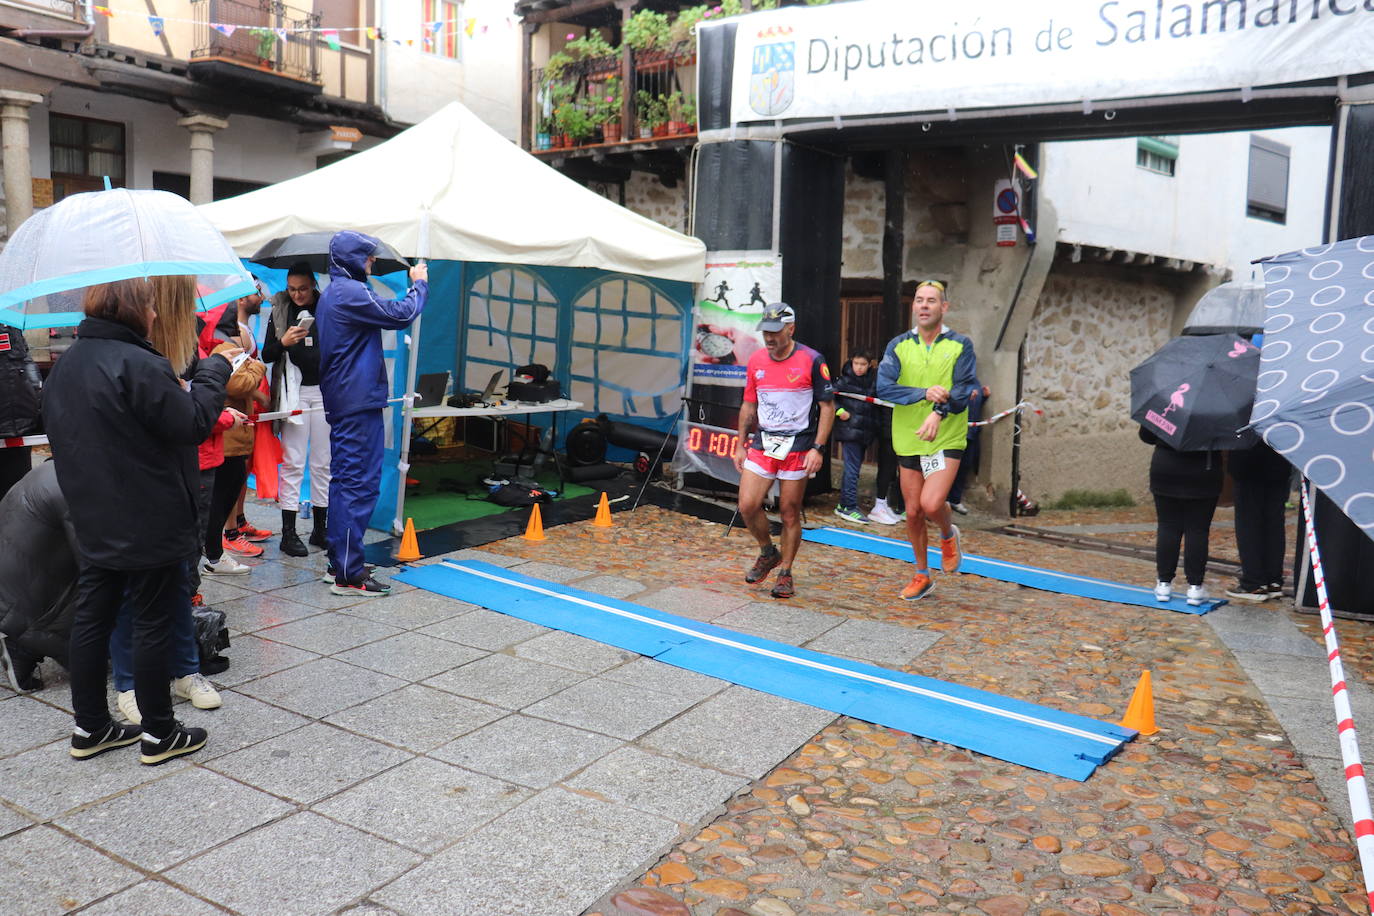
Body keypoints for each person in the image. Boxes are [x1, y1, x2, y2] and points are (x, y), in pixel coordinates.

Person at [43, 276, 235, 764]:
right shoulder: (140, 364)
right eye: (149, 306)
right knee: (153, 621)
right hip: (148, 517)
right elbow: (192, 422)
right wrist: (216, 369)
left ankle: (91, 727)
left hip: (92, 515)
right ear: (132, 310)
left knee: (93, 619)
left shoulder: (66, 367)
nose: (155, 314)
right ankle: (159, 733)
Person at [317, 231, 428, 596]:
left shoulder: (336, 291)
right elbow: (401, 314)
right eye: (367, 258)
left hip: (348, 398)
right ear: (352, 259)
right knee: (358, 484)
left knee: (344, 482)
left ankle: (341, 560)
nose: (372, 263)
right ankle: (348, 574)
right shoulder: (349, 292)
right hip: (356, 399)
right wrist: (419, 285)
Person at [876, 280, 976, 602]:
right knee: (913, 511)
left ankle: (948, 534)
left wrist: (939, 411)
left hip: (946, 434)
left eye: (931, 301)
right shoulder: (898, 346)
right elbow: (884, 388)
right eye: (919, 300)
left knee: (931, 504)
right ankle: (922, 574)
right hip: (909, 437)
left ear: (943, 307)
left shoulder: (961, 345)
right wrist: (924, 393)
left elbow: (963, 391)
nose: (923, 306)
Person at [731, 302, 835, 600]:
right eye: (766, 332)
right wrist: (740, 443)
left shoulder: (812, 360)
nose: (770, 338)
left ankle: (786, 572)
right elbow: (749, 404)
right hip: (765, 442)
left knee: (789, 511)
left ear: (791, 328)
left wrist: (818, 447)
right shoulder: (756, 361)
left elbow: (827, 407)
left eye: (776, 331)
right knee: (747, 504)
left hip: (799, 444)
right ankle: (767, 551)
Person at [263, 263, 329, 557]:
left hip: (325, 391)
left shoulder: (328, 306)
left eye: (302, 288)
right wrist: (284, 342)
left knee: (323, 462)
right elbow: (266, 354)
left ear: (313, 284)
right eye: (292, 289)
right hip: (294, 392)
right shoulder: (280, 309)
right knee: (293, 461)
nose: (297, 294)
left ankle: (320, 528)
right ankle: (288, 533)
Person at [0, 460, 78, 692]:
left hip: (13, 591)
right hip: (23, 602)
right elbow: (100, 564)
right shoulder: (77, 488)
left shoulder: (52, 469)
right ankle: (26, 645)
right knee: (96, 654)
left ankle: (25, 645)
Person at [215, 287, 274, 549]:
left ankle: (238, 522)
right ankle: (229, 535)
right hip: (231, 418)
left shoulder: (243, 332)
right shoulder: (231, 336)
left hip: (244, 415)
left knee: (240, 472)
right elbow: (236, 382)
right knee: (230, 474)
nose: (260, 297)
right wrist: (258, 366)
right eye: (255, 292)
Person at [1138, 427, 1222, 606]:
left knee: (1168, 526)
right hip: (1203, 469)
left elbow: (1146, 435)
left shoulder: (1165, 402)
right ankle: (1195, 587)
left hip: (1166, 467)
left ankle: (1164, 583)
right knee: (1197, 529)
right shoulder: (1216, 408)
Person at [1225, 439, 1291, 603]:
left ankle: (1253, 583)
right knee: (1274, 524)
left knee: (1249, 524)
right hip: (1278, 460)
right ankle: (1273, 580)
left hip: (1249, 464)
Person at [832, 350, 877, 523]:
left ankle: (843, 505)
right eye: (856, 363)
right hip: (849, 430)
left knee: (853, 469)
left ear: (869, 365)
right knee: (852, 469)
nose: (858, 368)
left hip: (864, 431)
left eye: (863, 364)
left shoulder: (873, 381)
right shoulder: (844, 380)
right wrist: (840, 411)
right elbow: (830, 397)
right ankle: (849, 507)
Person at [0, 323, 43, 500]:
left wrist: (37, 393)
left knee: (16, 496)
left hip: (20, 423)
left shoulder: (10, 322)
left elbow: (24, 360)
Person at [947, 380, 990, 514]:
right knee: (948, 468)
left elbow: (975, 404)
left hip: (971, 432)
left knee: (965, 465)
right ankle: (943, 500)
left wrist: (984, 396)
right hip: (955, 432)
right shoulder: (954, 380)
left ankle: (955, 499)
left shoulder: (975, 381)